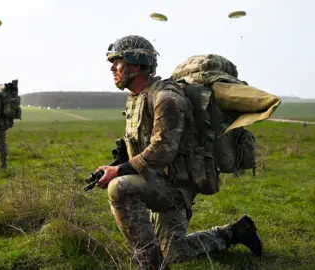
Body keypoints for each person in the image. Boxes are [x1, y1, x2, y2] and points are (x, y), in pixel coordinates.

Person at [94, 35, 262, 270]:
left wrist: (119, 171)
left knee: (119, 188)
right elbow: (142, 145)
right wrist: (116, 162)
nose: (112, 67)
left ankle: (150, 266)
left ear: (136, 64)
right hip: (157, 179)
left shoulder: (166, 98)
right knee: (174, 252)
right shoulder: (135, 99)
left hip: (174, 187)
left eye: (118, 61)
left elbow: (162, 150)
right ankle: (235, 232)